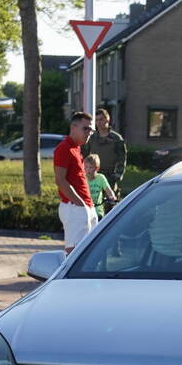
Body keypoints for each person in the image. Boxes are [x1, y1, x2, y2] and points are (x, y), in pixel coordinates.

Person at [54, 112, 97, 255]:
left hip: (84, 206)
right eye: (86, 129)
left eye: (91, 130)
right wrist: (79, 203)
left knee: (88, 253)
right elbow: (60, 179)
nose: (89, 133)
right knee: (74, 254)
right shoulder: (64, 148)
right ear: (73, 127)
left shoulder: (76, 148)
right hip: (74, 207)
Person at [82, 108, 127, 197]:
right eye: (97, 120)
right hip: (93, 175)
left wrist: (117, 175)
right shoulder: (92, 138)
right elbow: (84, 155)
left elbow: (122, 158)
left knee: (110, 203)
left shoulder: (116, 138)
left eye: (101, 119)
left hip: (110, 176)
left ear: (107, 120)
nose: (98, 122)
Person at [83, 153, 118, 219]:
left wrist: (112, 197)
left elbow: (108, 190)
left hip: (98, 210)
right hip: (86, 210)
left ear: (97, 168)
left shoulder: (101, 178)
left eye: (90, 167)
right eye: (86, 167)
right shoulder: (83, 178)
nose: (88, 170)